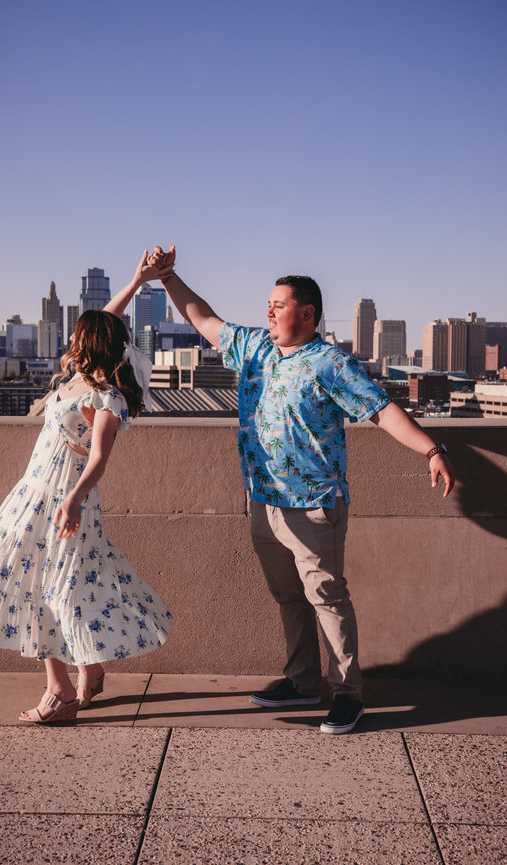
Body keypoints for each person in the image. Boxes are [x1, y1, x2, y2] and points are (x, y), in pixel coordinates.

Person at [151, 245, 455, 734]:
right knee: (289, 598)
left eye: (279, 303)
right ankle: (303, 681)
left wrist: (431, 450)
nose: (268, 310)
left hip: (313, 505)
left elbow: (380, 409)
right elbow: (204, 319)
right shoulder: (253, 347)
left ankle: (347, 694)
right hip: (263, 501)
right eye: (268, 303)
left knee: (327, 598)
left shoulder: (329, 362)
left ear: (307, 312)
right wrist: (168, 278)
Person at [0, 251, 175, 724]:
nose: (69, 337)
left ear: (89, 342)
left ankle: (61, 691)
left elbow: (102, 457)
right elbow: (109, 321)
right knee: (54, 583)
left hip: (64, 499)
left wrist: (72, 500)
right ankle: (91, 667)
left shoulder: (106, 397)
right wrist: (136, 280)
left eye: (77, 333)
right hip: (33, 493)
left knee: (46, 588)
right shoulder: (78, 377)